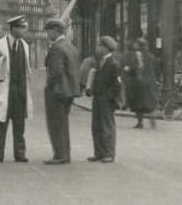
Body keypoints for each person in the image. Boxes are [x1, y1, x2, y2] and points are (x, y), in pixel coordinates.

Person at [0, 15, 33, 164]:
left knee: (19, 125)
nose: (25, 30)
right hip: (6, 89)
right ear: (14, 29)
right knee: (2, 124)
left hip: (20, 92)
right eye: (22, 28)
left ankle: (20, 154)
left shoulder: (24, 45)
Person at [43, 18, 80, 165]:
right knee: (63, 122)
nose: (48, 34)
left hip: (57, 92)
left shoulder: (58, 48)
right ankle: (65, 154)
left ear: (56, 30)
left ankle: (60, 155)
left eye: (49, 31)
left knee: (56, 123)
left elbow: (55, 71)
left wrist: (49, 86)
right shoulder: (70, 46)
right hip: (69, 91)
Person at [87, 36, 123, 164]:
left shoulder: (113, 64)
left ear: (106, 48)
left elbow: (117, 84)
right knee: (96, 126)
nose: (98, 48)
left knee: (107, 126)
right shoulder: (100, 61)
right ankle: (99, 152)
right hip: (97, 97)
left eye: (100, 46)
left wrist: (108, 97)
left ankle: (109, 153)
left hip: (106, 99)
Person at [124, 37, 160, 129]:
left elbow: (133, 69)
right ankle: (152, 114)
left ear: (138, 45)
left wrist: (127, 69)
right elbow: (157, 68)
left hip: (138, 83)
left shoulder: (136, 55)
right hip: (150, 82)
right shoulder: (151, 56)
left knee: (138, 104)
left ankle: (140, 122)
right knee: (151, 101)